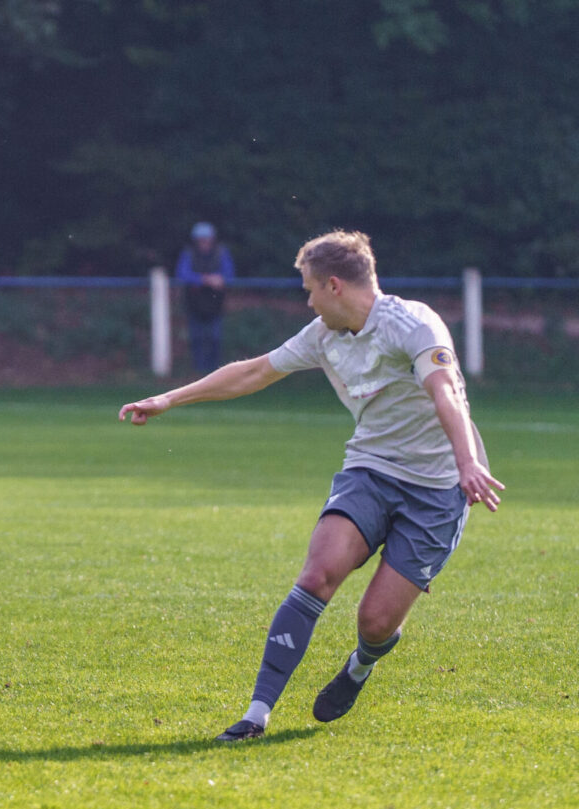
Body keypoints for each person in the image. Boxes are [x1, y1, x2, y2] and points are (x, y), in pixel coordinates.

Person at [119, 229, 503, 741]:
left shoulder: (414, 323)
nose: (308, 301)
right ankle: (256, 714)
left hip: (438, 488)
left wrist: (467, 463)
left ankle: (360, 666)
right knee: (318, 574)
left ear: (334, 285)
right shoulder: (323, 335)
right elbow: (253, 372)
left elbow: (445, 394)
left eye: (310, 289)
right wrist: (168, 399)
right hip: (370, 470)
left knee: (375, 623)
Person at [175, 221, 235, 374]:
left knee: (215, 338)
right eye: (201, 240)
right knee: (196, 338)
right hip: (194, 304)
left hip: (215, 304)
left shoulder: (221, 253)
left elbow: (229, 275)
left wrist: (220, 280)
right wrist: (205, 280)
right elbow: (182, 274)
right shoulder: (189, 254)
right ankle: (198, 371)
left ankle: (216, 371)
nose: (204, 243)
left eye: (207, 240)